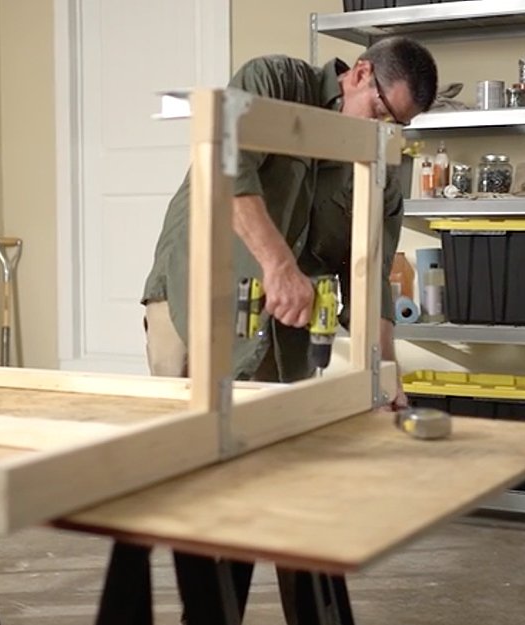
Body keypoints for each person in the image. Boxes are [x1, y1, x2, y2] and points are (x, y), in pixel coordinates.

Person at [141, 36, 438, 411]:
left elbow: (369, 276)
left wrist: (384, 373)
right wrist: (279, 266)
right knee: (185, 440)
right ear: (361, 73)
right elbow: (225, 170)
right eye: (380, 114)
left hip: (284, 330)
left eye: (396, 124)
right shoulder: (276, 83)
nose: (383, 131)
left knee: (269, 450)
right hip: (196, 296)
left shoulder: (379, 177)